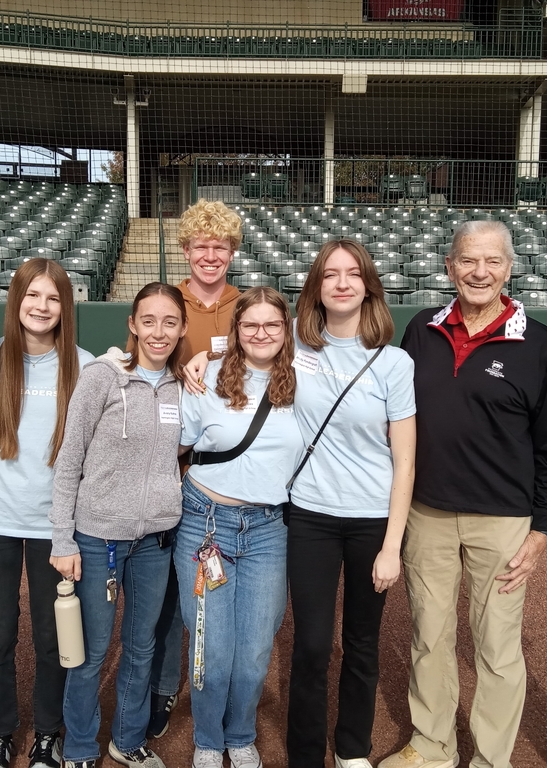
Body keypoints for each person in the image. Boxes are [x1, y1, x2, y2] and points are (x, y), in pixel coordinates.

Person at [383, 220, 547, 768]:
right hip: (427, 513)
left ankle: (491, 759)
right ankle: (433, 746)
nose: (479, 272)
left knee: (496, 647)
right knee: (429, 637)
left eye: (491, 262)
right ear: (449, 266)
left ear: (509, 268)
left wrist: (542, 528)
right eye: (468, 260)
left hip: (503, 522)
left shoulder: (539, 344)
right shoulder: (421, 328)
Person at [284, 239, 417, 768]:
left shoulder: (394, 362)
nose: (341, 282)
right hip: (309, 515)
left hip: (371, 522)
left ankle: (353, 749)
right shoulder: (293, 341)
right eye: (330, 274)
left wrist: (392, 546)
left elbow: (405, 461)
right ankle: (305, 753)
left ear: (368, 285)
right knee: (313, 644)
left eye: (353, 273)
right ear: (317, 286)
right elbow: (233, 345)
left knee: (362, 643)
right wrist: (204, 353)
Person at [49, 282, 187, 768]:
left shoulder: (182, 385)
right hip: (97, 537)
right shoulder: (101, 378)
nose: (158, 331)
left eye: (170, 322)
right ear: (132, 324)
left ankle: (127, 742)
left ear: (182, 328)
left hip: (156, 540)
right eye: (148, 321)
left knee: (141, 645)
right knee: (90, 651)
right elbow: (69, 461)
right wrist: (62, 536)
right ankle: (81, 746)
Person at [0, 259, 96, 768]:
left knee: (52, 637)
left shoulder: (86, 367)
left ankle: (48, 734)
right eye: (32, 296)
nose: (42, 307)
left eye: (52, 298)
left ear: (65, 306)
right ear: (16, 301)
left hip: (54, 527)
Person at [175, 286, 304, 768]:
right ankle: (209, 739)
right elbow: (181, 444)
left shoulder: (303, 381)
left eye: (272, 325)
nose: (261, 333)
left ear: (286, 330)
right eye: (250, 325)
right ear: (236, 331)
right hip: (205, 523)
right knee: (212, 643)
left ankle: (240, 733)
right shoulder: (205, 376)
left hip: (269, 529)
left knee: (253, 649)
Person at [149, 198, 243, 739]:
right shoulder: (167, 301)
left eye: (220, 246)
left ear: (232, 251)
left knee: (213, 592)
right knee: (165, 596)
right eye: (200, 246)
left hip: (222, 469)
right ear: (186, 250)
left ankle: (221, 689)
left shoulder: (245, 303)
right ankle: (164, 691)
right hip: (167, 461)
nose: (210, 255)